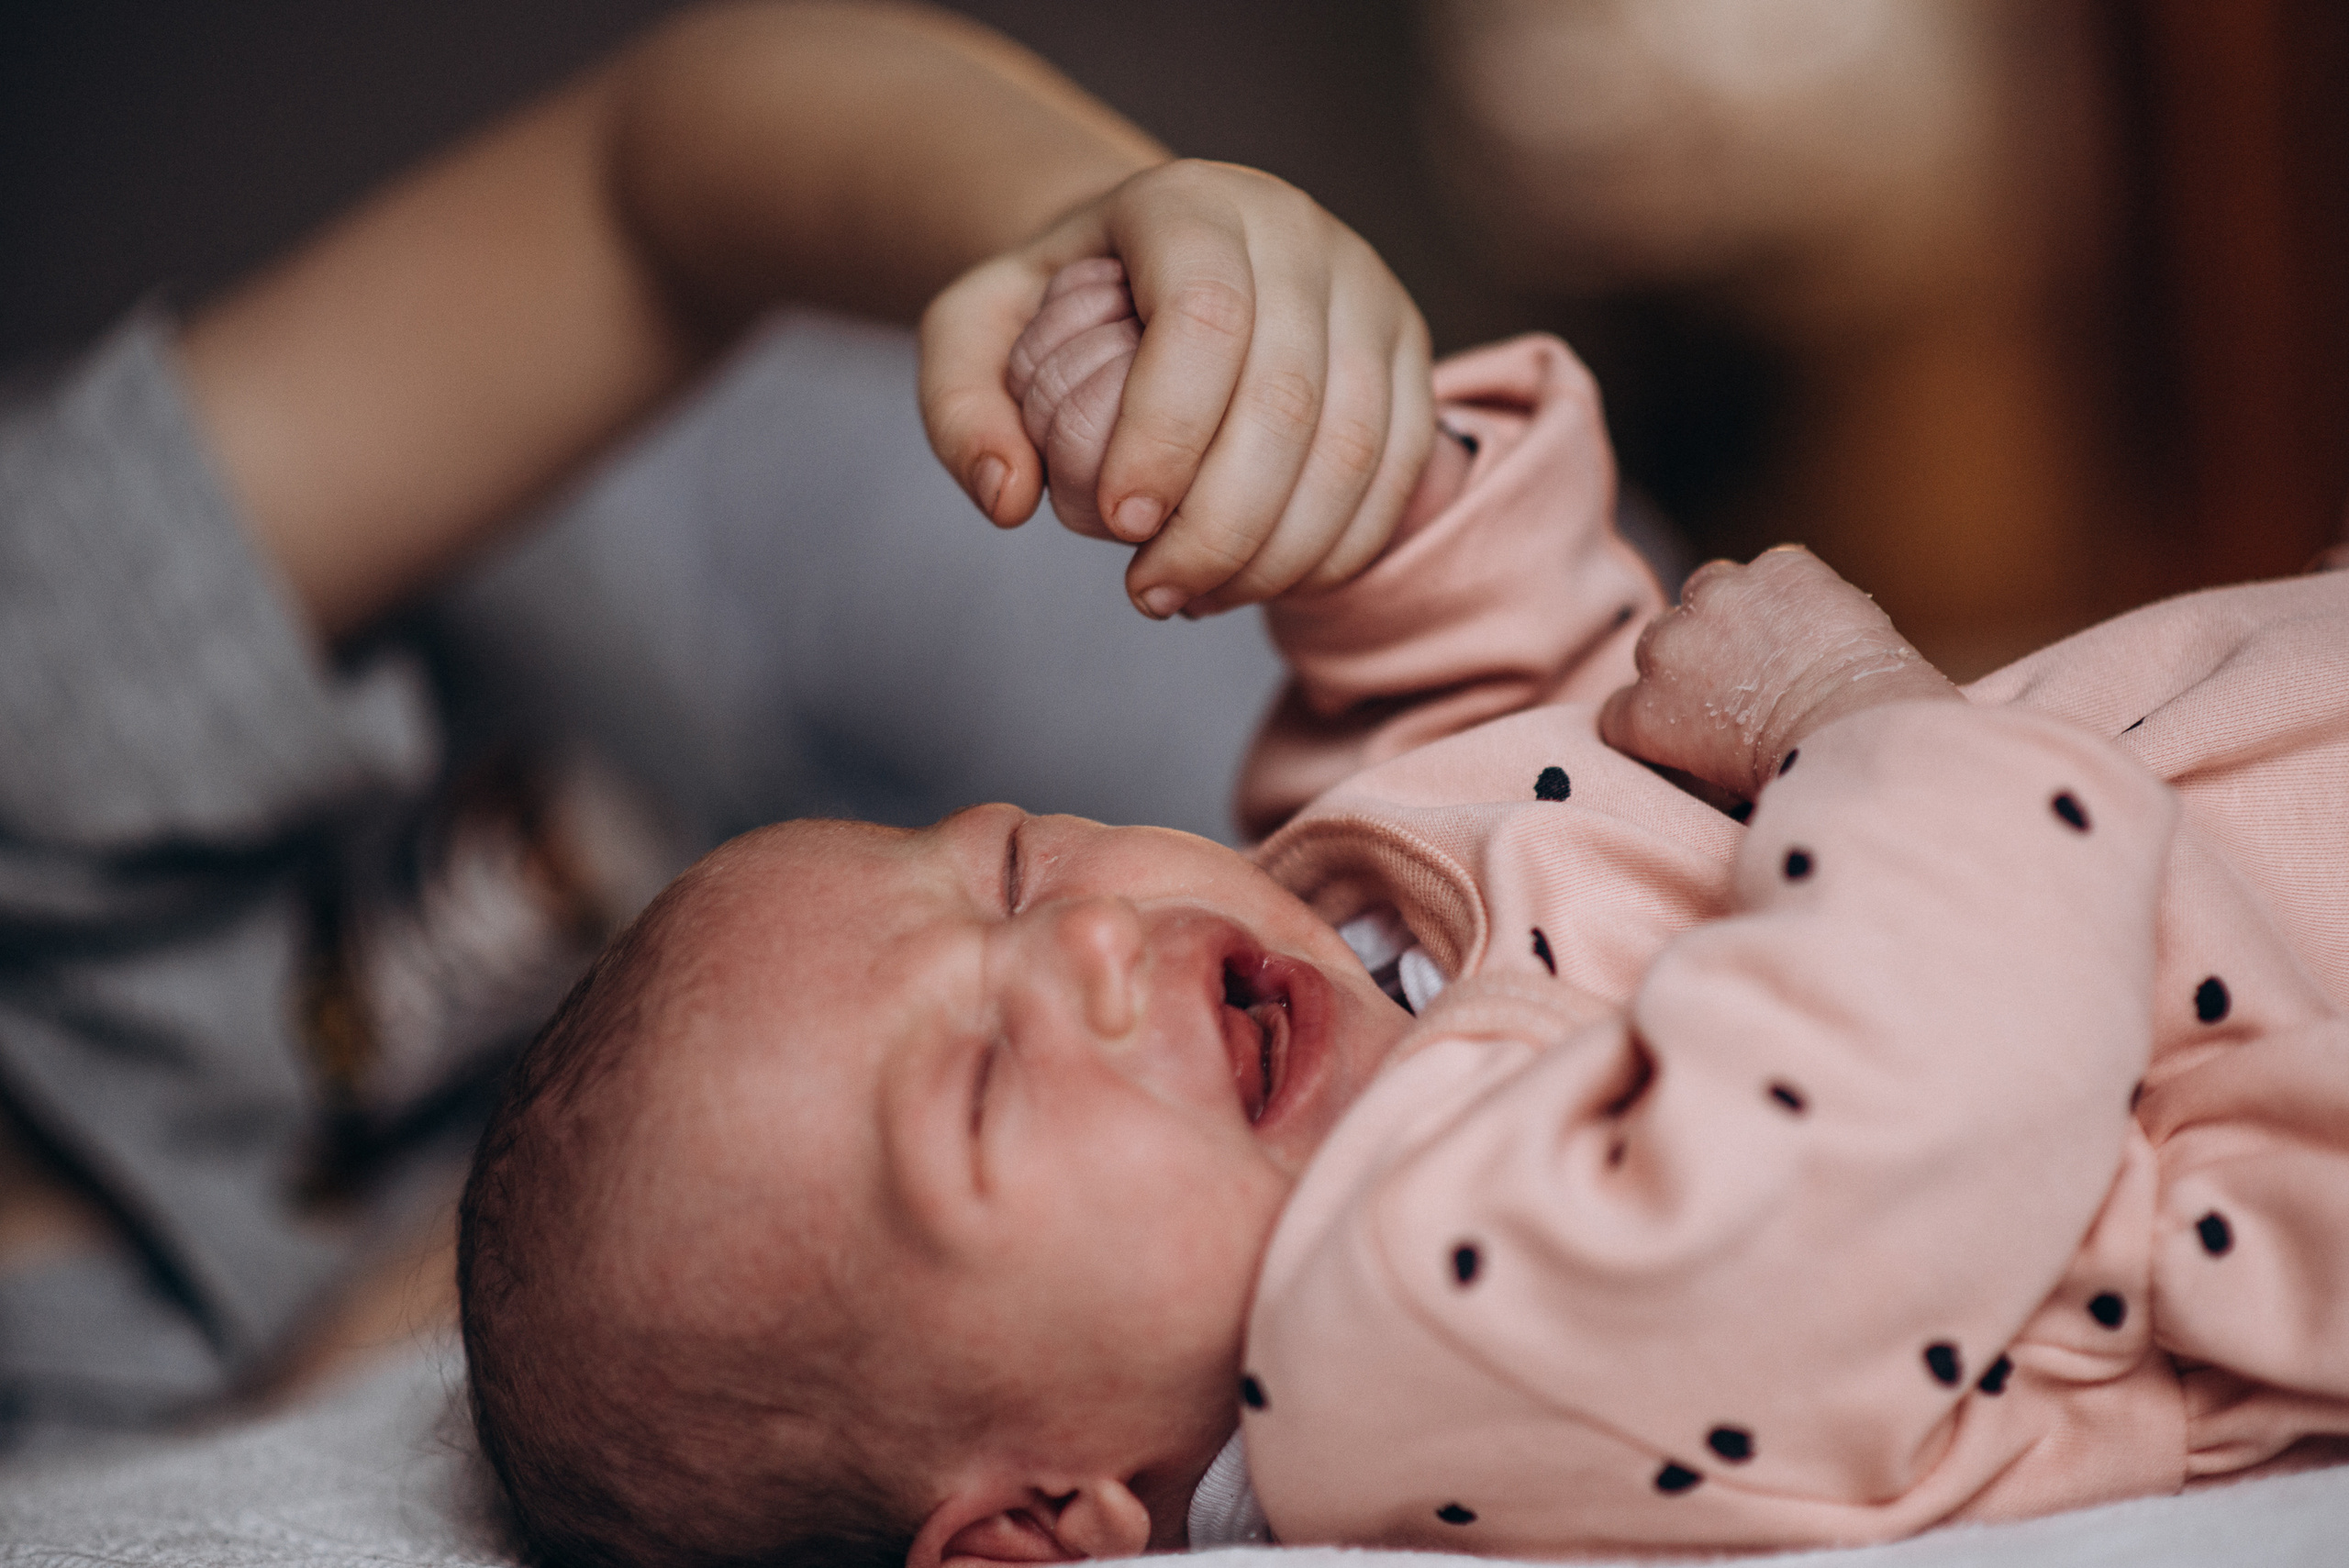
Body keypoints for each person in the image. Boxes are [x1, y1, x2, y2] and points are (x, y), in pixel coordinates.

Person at [456, 263, 2349, 1568]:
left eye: (1011, 868)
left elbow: (1516, 675)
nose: (1087, 948)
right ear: (1040, 1528)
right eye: (975, 1091)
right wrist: (1831, 721)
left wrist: (1289, 472)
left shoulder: (1344, 945)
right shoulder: (1414, 1336)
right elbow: (1910, 1095)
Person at [0, 0, 1432, 1451]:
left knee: (1370, 589)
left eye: (1019, 878)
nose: (1092, 948)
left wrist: (1068, 221)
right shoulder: (77, 1447)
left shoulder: (40, 661)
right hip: (819, 1092)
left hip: (736, 573)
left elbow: (640, 187)